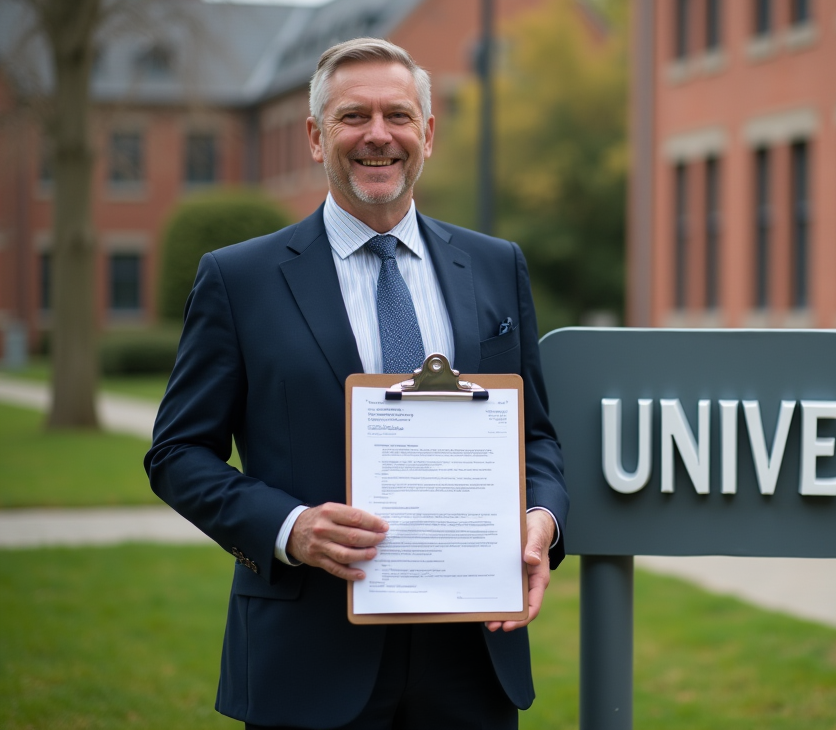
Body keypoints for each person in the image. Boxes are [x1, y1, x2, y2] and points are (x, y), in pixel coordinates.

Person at [145, 37, 569, 730]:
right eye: (353, 117)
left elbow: (539, 439)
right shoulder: (239, 279)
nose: (379, 135)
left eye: (398, 115)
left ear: (427, 133)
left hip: (471, 657)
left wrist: (540, 522)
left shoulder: (496, 267)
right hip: (306, 660)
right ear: (316, 137)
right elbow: (176, 454)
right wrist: (290, 527)